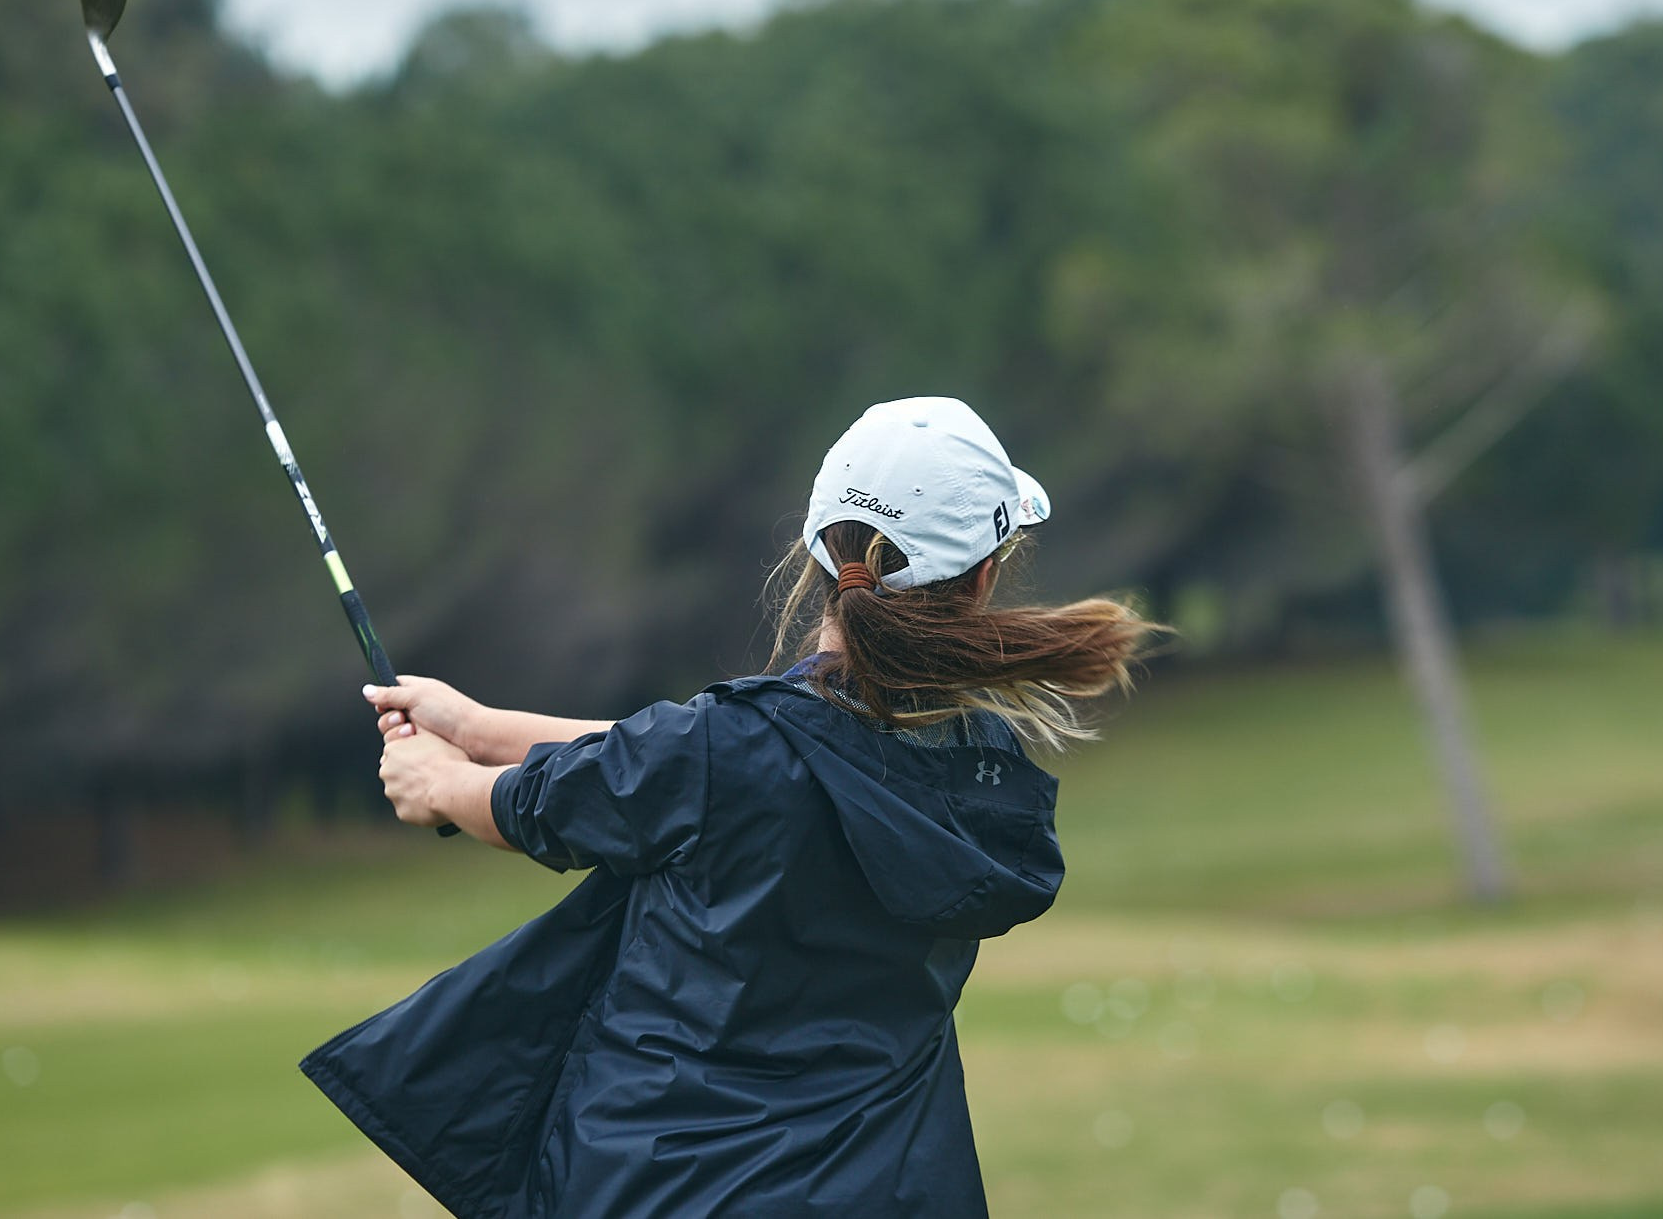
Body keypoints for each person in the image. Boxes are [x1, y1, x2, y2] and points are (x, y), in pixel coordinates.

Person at [302, 397, 1153, 1218]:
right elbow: (677, 764)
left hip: (662, 1183)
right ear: (982, 578)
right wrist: (479, 726)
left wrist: (437, 781)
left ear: (818, 556)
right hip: (887, 1189)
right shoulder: (978, 766)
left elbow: (551, 799)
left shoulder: (726, 752)